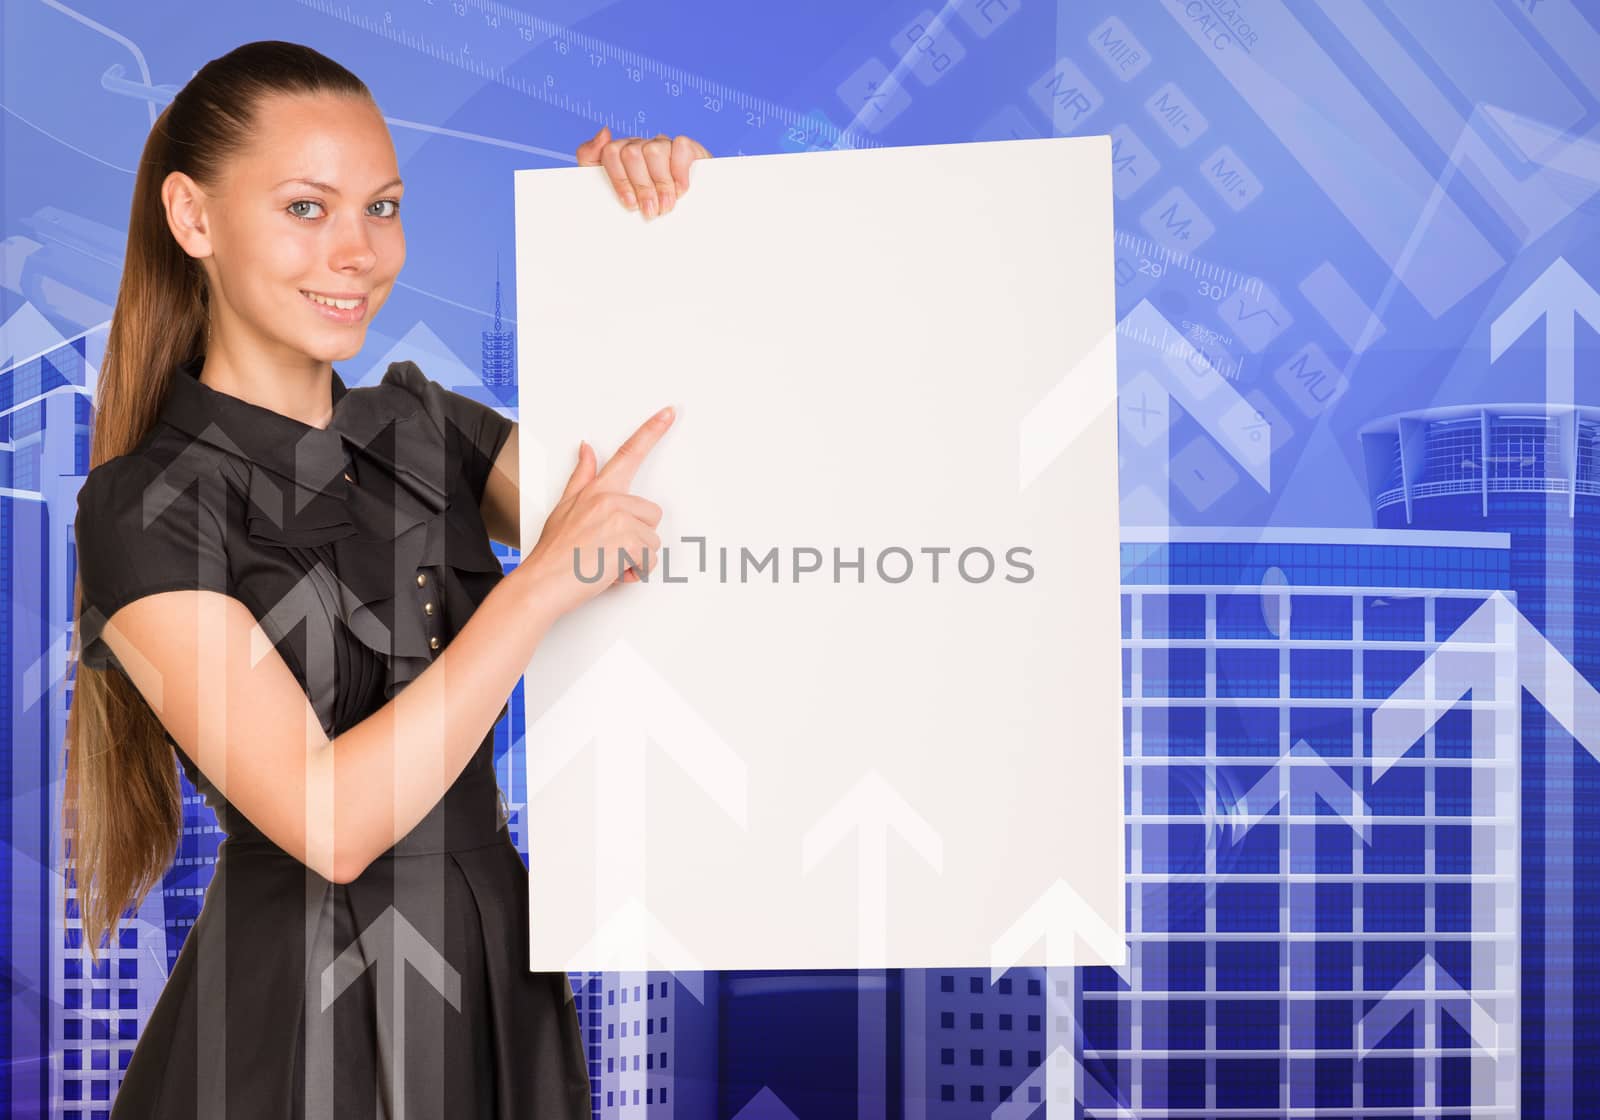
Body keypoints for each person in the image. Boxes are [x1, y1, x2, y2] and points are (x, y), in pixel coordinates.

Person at [63, 39, 708, 1119]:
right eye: (308, 209)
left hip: (500, 977)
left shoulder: (428, 428)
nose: (359, 251)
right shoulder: (146, 506)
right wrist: (532, 589)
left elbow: (666, 508)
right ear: (195, 218)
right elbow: (330, 823)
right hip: (298, 1022)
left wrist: (644, 243)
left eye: (385, 205)